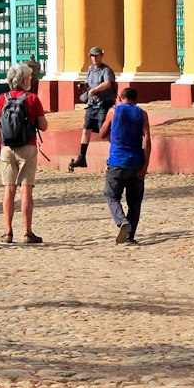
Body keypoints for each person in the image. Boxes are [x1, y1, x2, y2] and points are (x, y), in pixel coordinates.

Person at [0, 62, 48, 244]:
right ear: (24, 80)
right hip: (28, 147)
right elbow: (43, 126)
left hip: (6, 148)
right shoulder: (32, 99)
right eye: (29, 77)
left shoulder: (2, 98)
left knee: (8, 190)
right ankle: (27, 232)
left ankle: (8, 232)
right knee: (26, 190)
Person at [100, 87, 152, 244]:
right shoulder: (142, 114)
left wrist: (114, 141)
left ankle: (122, 221)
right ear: (136, 100)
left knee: (111, 195)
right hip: (136, 162)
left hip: (117, 161)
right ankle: (130, 237)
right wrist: (145, 167)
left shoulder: (113, 111)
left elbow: (102, 134)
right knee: (135, 202)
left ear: (119, 98)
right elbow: (147, 140)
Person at [69, 47, 117, 171]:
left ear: (101, 56)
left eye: (97, 56)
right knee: (86, 129)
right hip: (92, 104)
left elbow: (108, 83)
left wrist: (95, 90)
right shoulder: (90, 69)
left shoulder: (106, 70)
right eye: (92, 56)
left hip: (103, 104)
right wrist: (85, 85)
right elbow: (89, 82)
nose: (95, 58)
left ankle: (118, 151)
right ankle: (82, 157)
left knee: (104, 131)